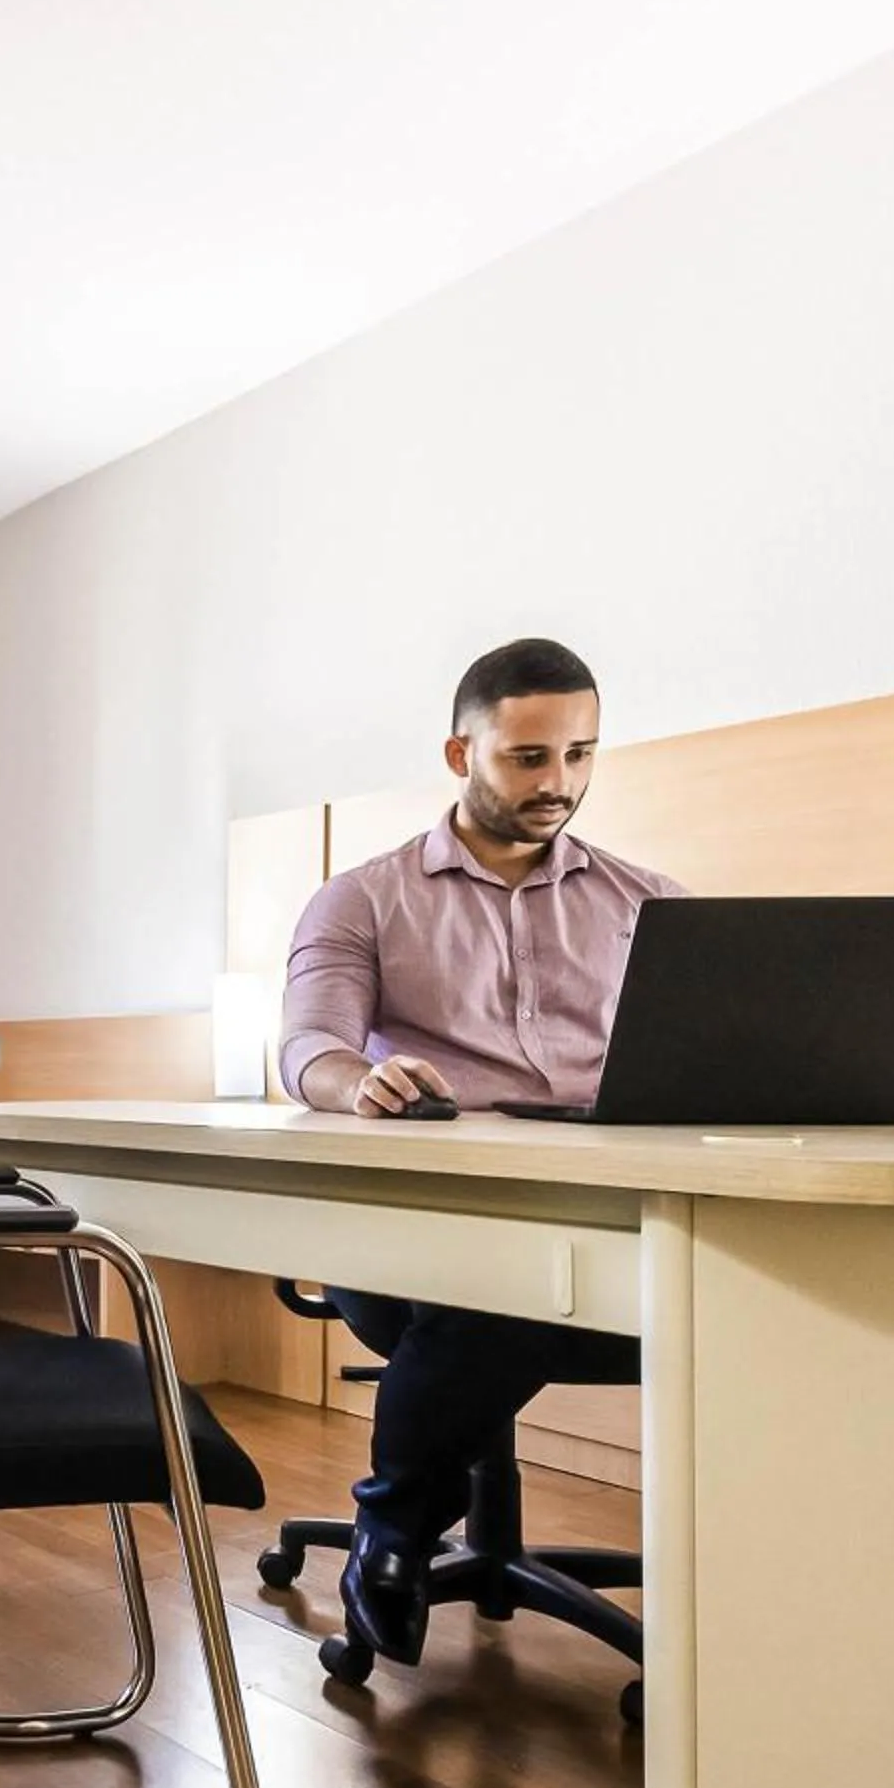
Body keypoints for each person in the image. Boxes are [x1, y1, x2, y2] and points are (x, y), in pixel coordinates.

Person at [275, 637, 683, 1665]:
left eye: (582, 756)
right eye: (530, 759)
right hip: (415, 1241)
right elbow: (309, 1045)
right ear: (462, 756)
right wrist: (355, 1082)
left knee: (706, 1294)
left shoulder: (655, 905)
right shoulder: (362, 899)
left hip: (613, 1223)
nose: (561, 785)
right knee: (497, 1280)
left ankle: (394, 1524)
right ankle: (403, 1521)